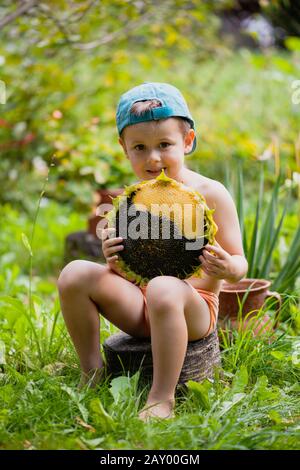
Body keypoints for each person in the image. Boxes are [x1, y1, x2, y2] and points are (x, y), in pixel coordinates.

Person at [57, 82, 248, 421]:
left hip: (195, 310)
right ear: (124, 148)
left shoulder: (211, 193)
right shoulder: (133, 200)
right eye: (140, 147)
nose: (153, 157)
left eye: (164, 145)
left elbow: (240, 265)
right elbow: (131, 271)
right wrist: (113, 256)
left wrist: (226, 267)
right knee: (74, 273)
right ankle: (92, 373)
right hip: (141, 305)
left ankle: (162, 398)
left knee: (163, 287)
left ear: (187, 142)